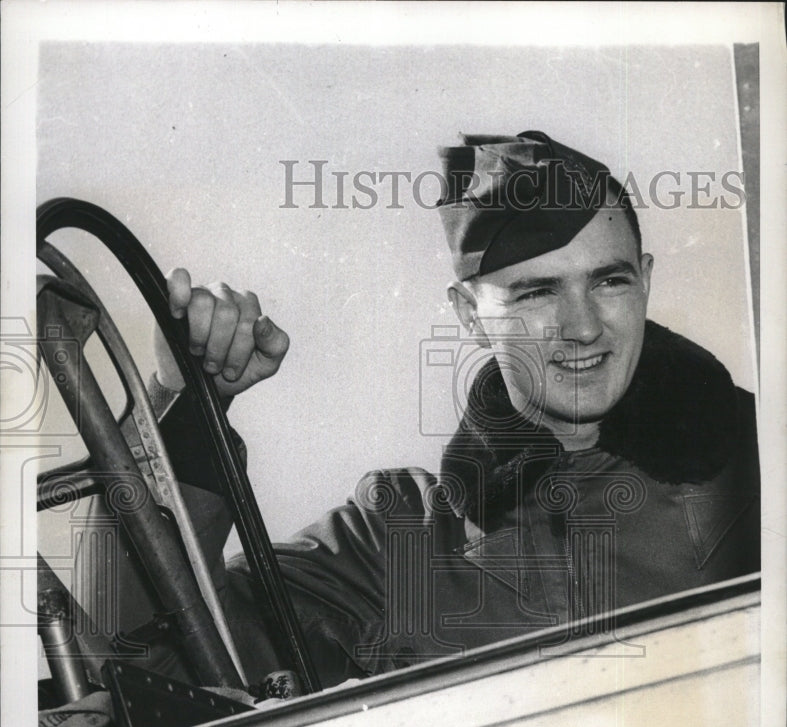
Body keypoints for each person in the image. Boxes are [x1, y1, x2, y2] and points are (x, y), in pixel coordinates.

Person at [133, 130, 760, 691]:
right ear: (469, 316)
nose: (583, 326)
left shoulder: (761, 465)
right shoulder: (398, 539)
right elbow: (148, 665)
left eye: (609, 281)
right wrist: (190, 412)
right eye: (537, 292)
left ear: (645, 280)